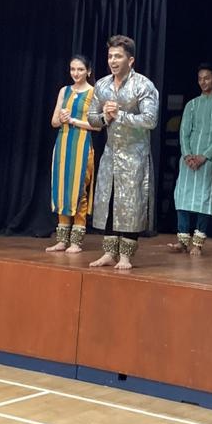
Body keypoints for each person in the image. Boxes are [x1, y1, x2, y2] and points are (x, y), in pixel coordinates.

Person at [87, 35, 159, 270]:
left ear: (130, 60)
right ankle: (109, 253)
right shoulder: (102, 85)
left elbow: (150, 119)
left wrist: (121, 115)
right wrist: (105, 117)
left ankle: (126, 256)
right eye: (110, 56)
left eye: (118, 56)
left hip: (134, 155)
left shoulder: (143, 85)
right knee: (108, 201)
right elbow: (92, 118)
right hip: (111, 154)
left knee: (131, 204)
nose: (113, 61)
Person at [168, 63, 212, 255]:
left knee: (205, 199)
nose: (203, 82)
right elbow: (184, 132)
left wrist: (204, 156)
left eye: (207, 78)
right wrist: (187, 155)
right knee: (183, 197)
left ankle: (197, 243)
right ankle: (182, 241)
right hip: (188, 160)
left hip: (209, 160)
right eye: (200, 79)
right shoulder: (192, 104)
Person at [46, 54, 99, 254]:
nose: (76, 73)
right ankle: (62, 240)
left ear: (88, 71)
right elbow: (54, 122)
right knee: (62, 189)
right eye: (73, 69)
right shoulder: (64, 91)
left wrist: (74, 121)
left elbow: (97, 126)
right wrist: (61, 118)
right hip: (63, 143)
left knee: (79, 191)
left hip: (82, 145)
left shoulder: (94, 93)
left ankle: (76, 241)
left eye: (80, 69)